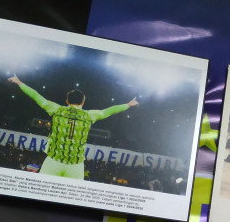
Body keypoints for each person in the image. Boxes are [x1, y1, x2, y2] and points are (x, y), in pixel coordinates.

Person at [8, 75, 138, 179]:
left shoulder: (56, 109)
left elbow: (36, 96)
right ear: (82, 102)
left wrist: (19, 82)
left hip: (53, 161)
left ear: (67, 101)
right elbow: (110, 110)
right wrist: (128, 104)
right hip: (75, 166)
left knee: (40, 194)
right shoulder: (89, 115)